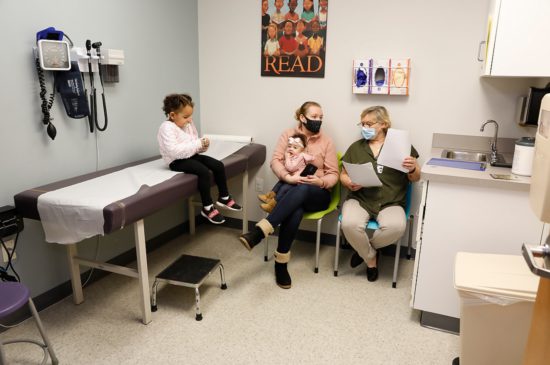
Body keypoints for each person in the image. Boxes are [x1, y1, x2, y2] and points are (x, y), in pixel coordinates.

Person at [239, 101, 338, 289]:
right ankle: (281, 263)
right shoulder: (288, 135)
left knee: (304, 188)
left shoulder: (327, 141)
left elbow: (333, 173)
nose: (318, 121)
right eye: (314, 117)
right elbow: (275, 161)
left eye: (321, 117)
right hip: (293, 190)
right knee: (296, 208)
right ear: (302, 117)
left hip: (318, 194)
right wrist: (287, 177)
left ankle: (259, 233)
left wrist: (321, 182)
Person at [340, 106, 420, 282]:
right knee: (348, 223)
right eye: (362, 124)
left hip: (391, 201)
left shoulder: (401, 146)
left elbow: (415, 178)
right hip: (360, 199)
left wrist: (413, 167)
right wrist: (348, 182)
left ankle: (365, 251)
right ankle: (371, 260)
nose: (364, 128)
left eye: (369, 123)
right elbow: (343, 174)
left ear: (384, 124)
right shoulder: (356, 148)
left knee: (397, 227)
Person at [157, 94, 242, 225]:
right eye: (186, 117)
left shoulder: (187, 124)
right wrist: (198, 144)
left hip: (191, 156)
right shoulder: (166, 127)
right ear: (172, 115)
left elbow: (193, 142)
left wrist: (202, 146)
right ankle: (207, 208)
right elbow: (174, 151)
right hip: (176, 161)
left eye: (190, 116)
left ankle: (224, 197)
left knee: (218, 165)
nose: (189, 120)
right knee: (203, 171)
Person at [258, 133, 314, 213]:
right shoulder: (295, 156)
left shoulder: (301, 156)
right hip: (292, 177)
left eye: (295, 147)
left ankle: (272, 205)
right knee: (280, 182)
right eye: (289, 146)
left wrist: (287, 157)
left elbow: (290, 168)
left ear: (302, 149)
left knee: (284, 188)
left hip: (297, 181)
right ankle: (269, 197)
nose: (291, 149)